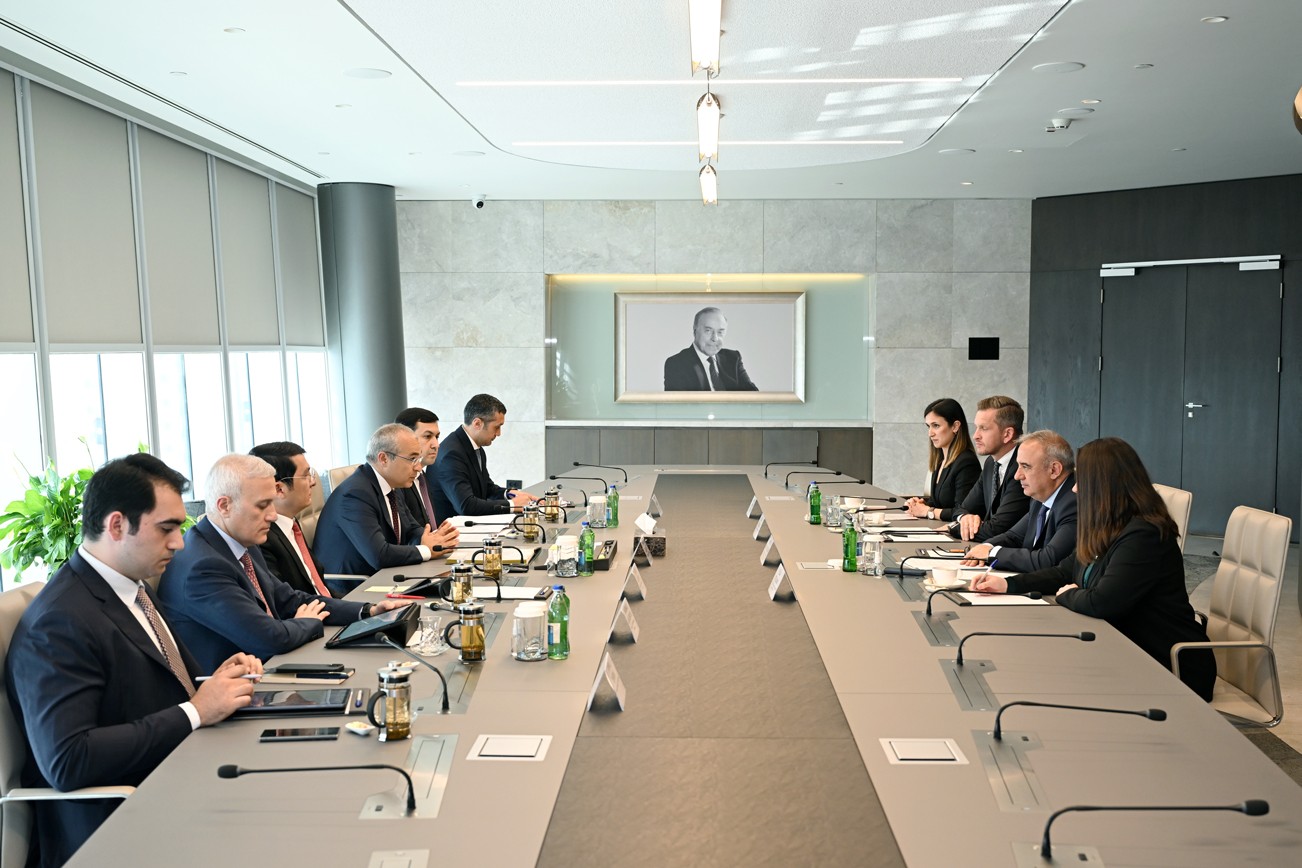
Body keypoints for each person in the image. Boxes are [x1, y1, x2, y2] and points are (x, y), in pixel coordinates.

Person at [5, 454, 261, 867]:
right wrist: (196, 710)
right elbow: (68, 760)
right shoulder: (59, 622)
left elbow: (159, 688)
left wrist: (215, 681)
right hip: (121, 822)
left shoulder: (133, 589)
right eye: (166, 528)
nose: (179, 542)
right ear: (117, 525)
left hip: (179, 778)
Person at [970, 438, 1216, 700]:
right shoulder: (1106, 526)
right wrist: (1008, 585)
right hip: (1124, 651)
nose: (1075, 489)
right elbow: (1064, 572)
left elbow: (1103, 602)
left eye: (1082, 481)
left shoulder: (1144, 534)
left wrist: (1068, 595)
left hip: (1167, 665)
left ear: (1104, 485)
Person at [158, 454, 406, 672]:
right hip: (245, 685)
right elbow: (268, 638)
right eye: (262, 505)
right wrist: (308, 622)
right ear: (224, 506)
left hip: (275, 663)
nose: (272, 515)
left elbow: (288, 599)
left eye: (272, 502)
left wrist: (368, 611)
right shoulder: (203, 567)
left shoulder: (242, 541)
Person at [313, 424, 461, 574]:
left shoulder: (391, 484)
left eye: (418, 459)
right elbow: (379, 555)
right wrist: (426, 550)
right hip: (359, 582)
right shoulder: (355, 494)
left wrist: (433, 539)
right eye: (412, 459)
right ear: (383, 458)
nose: (418, 467)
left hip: (386, 573)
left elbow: (410, 529)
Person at [961, 430, 1078, 572]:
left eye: (1026, 467)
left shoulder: (1074, 503)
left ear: (1054, 470)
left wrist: (992, 554)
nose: (1017, 476)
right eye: (1018, 466)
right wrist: (986, 547)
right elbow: (1013, 537)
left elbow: (1048, 560)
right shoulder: (1040, 497)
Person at [431, 393, 540, 518]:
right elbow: (466, 506)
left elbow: (487, 488)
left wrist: (510, 494)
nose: (499, 433)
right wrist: (512, 504)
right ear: (477, 423)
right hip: (452, 528)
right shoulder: (452, 454)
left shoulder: (475, 447)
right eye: (497, 427)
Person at [248, 441, 332, 597]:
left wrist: (363, 607)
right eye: (305, 476)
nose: (313, 482)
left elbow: (318, 587)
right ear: (279, 489)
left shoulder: (290, 523)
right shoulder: (261, 538)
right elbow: (287, 600)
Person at [949, 395, 1031, 541]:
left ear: (1007, 434)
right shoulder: (991, 463)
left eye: (983, 428)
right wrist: (965, 518)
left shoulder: (1023, 468)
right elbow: (962, 508)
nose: (975, 436)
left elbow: (997, 530)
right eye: (976, 427)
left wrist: (956, 528)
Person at [904, 397, 980, 521]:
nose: (930, 433)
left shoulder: (967, 462)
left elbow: (963, 512)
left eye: (936, 426)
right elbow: (940, 502)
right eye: (928, 426)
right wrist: (920, 505)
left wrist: (927, 511)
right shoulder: (940, 461)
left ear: (955, 426)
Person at [663, 306, 758, 391]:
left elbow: (754, 397)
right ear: (695, 331)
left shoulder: (733, 358)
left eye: (720, 332)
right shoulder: (677, 364)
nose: (715, 338)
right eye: (708, 331)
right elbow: (679, 404)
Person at [395, 406, 441, 527]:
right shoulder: (397, 482)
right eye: (427, 436)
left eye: (437, 437)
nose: (436, 445)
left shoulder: (422, 475)